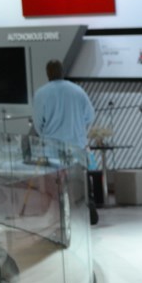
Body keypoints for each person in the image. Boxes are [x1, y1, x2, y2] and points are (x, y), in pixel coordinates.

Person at [32, 59, 98, 223]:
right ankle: (87, 211)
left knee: (54, 185)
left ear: (48, 73)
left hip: (52, 148)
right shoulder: (78, 91)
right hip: (76, 145)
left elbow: (38, 122)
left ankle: (58, 217)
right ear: (62, 72)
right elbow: (90, 116)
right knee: (80, 182)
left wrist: (45, 135)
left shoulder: (41, 93)